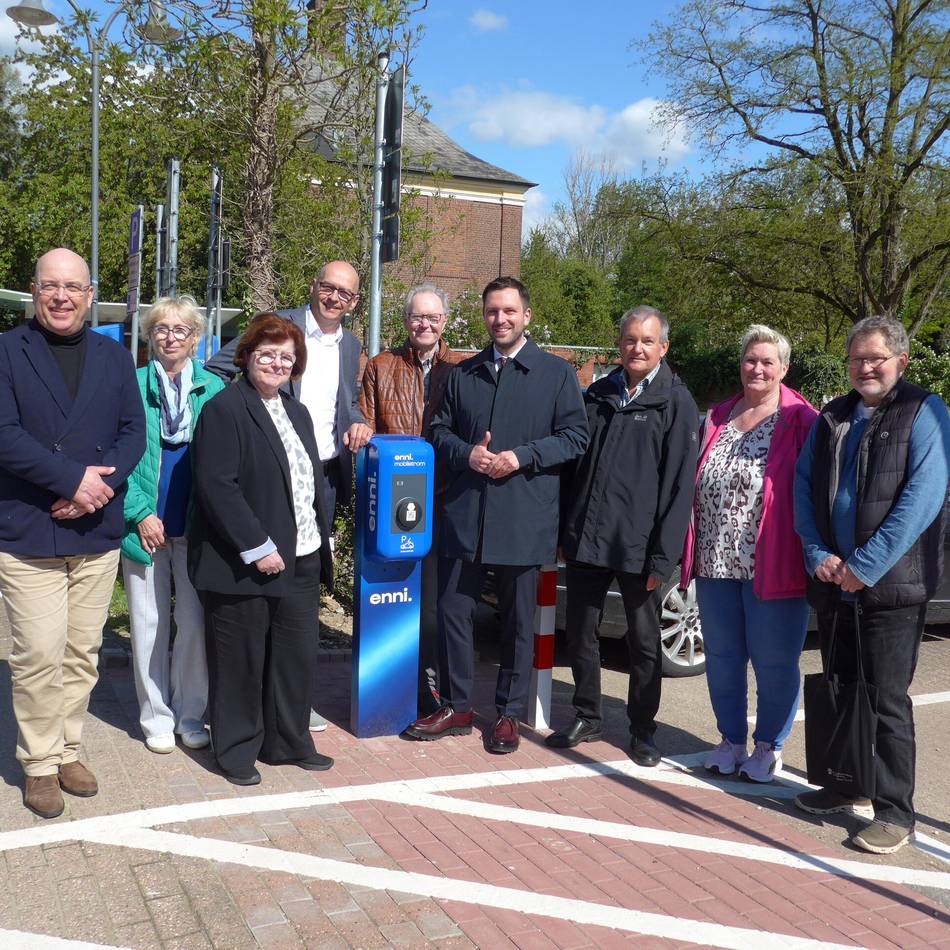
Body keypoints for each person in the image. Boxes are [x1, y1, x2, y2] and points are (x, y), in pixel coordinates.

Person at [405, 276, 589, 753]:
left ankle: (508, 713)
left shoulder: (555, 374)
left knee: (516, 622)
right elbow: (438, 433)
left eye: (509, 311)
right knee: (452, 613)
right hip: (466, 517)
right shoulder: (464, 374)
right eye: (492, 311)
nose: (500, 319)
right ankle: (458, 705)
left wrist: (521, 456)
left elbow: (576, 437)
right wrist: (467, 454)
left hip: (524, 518)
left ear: (526, 316)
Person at [794, 315, 950, 853]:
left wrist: (866, 566)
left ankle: (895, 812)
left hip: (892, 588)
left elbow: (922, 499)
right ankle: (844, 785)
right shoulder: (833, 416)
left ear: (900, 361)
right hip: (835, 582)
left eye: (875, 358)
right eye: (857, 358)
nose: (865, 368)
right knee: (839, 689)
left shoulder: (925, 412)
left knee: (885, 699)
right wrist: (818, 553)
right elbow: (804, 488)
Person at [0, 248, 145, 819]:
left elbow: (133, 431)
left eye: (72, 287)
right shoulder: (7, 352)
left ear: (90, 294)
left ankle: (66, 749)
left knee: (81, 652)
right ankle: (37, 765)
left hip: (95, 526)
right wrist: (71, 479)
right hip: (30, 527)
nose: (61, 296)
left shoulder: (114, 356)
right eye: (50, 286)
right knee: (37, 654)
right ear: (33, 291)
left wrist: (98, 489)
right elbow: (4, 434)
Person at [206, 261, 370, 732]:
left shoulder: (351, 344)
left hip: (322, 475)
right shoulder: (278, 327)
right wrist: (239, 422)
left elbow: (343, 402)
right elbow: (218, 368)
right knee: (262, 587)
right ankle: (251, 709)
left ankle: (290, 706)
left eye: (345, 293)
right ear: (313, 286)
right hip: (267, 473)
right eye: (327, 287)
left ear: (355, 302)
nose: (334, 297)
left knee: (301, 597)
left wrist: (356, 418)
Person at [549, 306, 699, 767]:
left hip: (640, 548)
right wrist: (564, 532)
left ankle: (642, 730)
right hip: (588, 540)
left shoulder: (677, 403)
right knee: (581, 635)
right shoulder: (599, 394)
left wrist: (662, 559)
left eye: (647, 341)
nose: (637, 348)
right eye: (630, 339)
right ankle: (587, 715)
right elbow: (575, 469)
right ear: (619, 344)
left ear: (663, 348)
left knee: (644, 643)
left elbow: (680, 488)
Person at [188, 313, 334, 786]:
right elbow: (217, 487)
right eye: (267, 353)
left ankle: (287, 741)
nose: (276, 363)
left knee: (295, 655)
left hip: (302, 557)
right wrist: (256, 546)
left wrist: (319, 536)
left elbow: (308, 482)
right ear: (247, 355)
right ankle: (233, 751)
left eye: (286, 357)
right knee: (240, 660)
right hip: (245, 562)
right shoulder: (225, 409)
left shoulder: (297, 412)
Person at [679, 325, 817, 782]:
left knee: (774, 660)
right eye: (750, 360)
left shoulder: (803, 420)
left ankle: (768, 746)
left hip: (774, 563)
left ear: (784, 368)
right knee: (721, 657)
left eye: (767, 361)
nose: (757, 368)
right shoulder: (718, 416)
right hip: (716, 561)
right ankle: (731, 740)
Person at [120, 296, 224, 754]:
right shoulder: (130, 384)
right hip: (144, 524)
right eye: (161, 328)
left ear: (196, 338)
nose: (170, 337)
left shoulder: (215, 388)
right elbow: (112, 457)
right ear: (150, 335)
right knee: (148, 624)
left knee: (194, 622)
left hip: (196, 526)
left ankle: (190, 713)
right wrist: (140, 513)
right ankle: (156, 717)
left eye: (181, 330)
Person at [358, 283, 464, 714]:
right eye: (417, 317)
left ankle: (431, 690)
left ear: (444, 322)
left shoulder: (461, 369)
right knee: (395, 597)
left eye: (433, 318)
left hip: (444, 500)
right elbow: (364, 430)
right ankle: (393, 686)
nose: (425, 324)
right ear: (405, 321)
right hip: (391, 506)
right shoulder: (380, 367)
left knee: (439, 604)